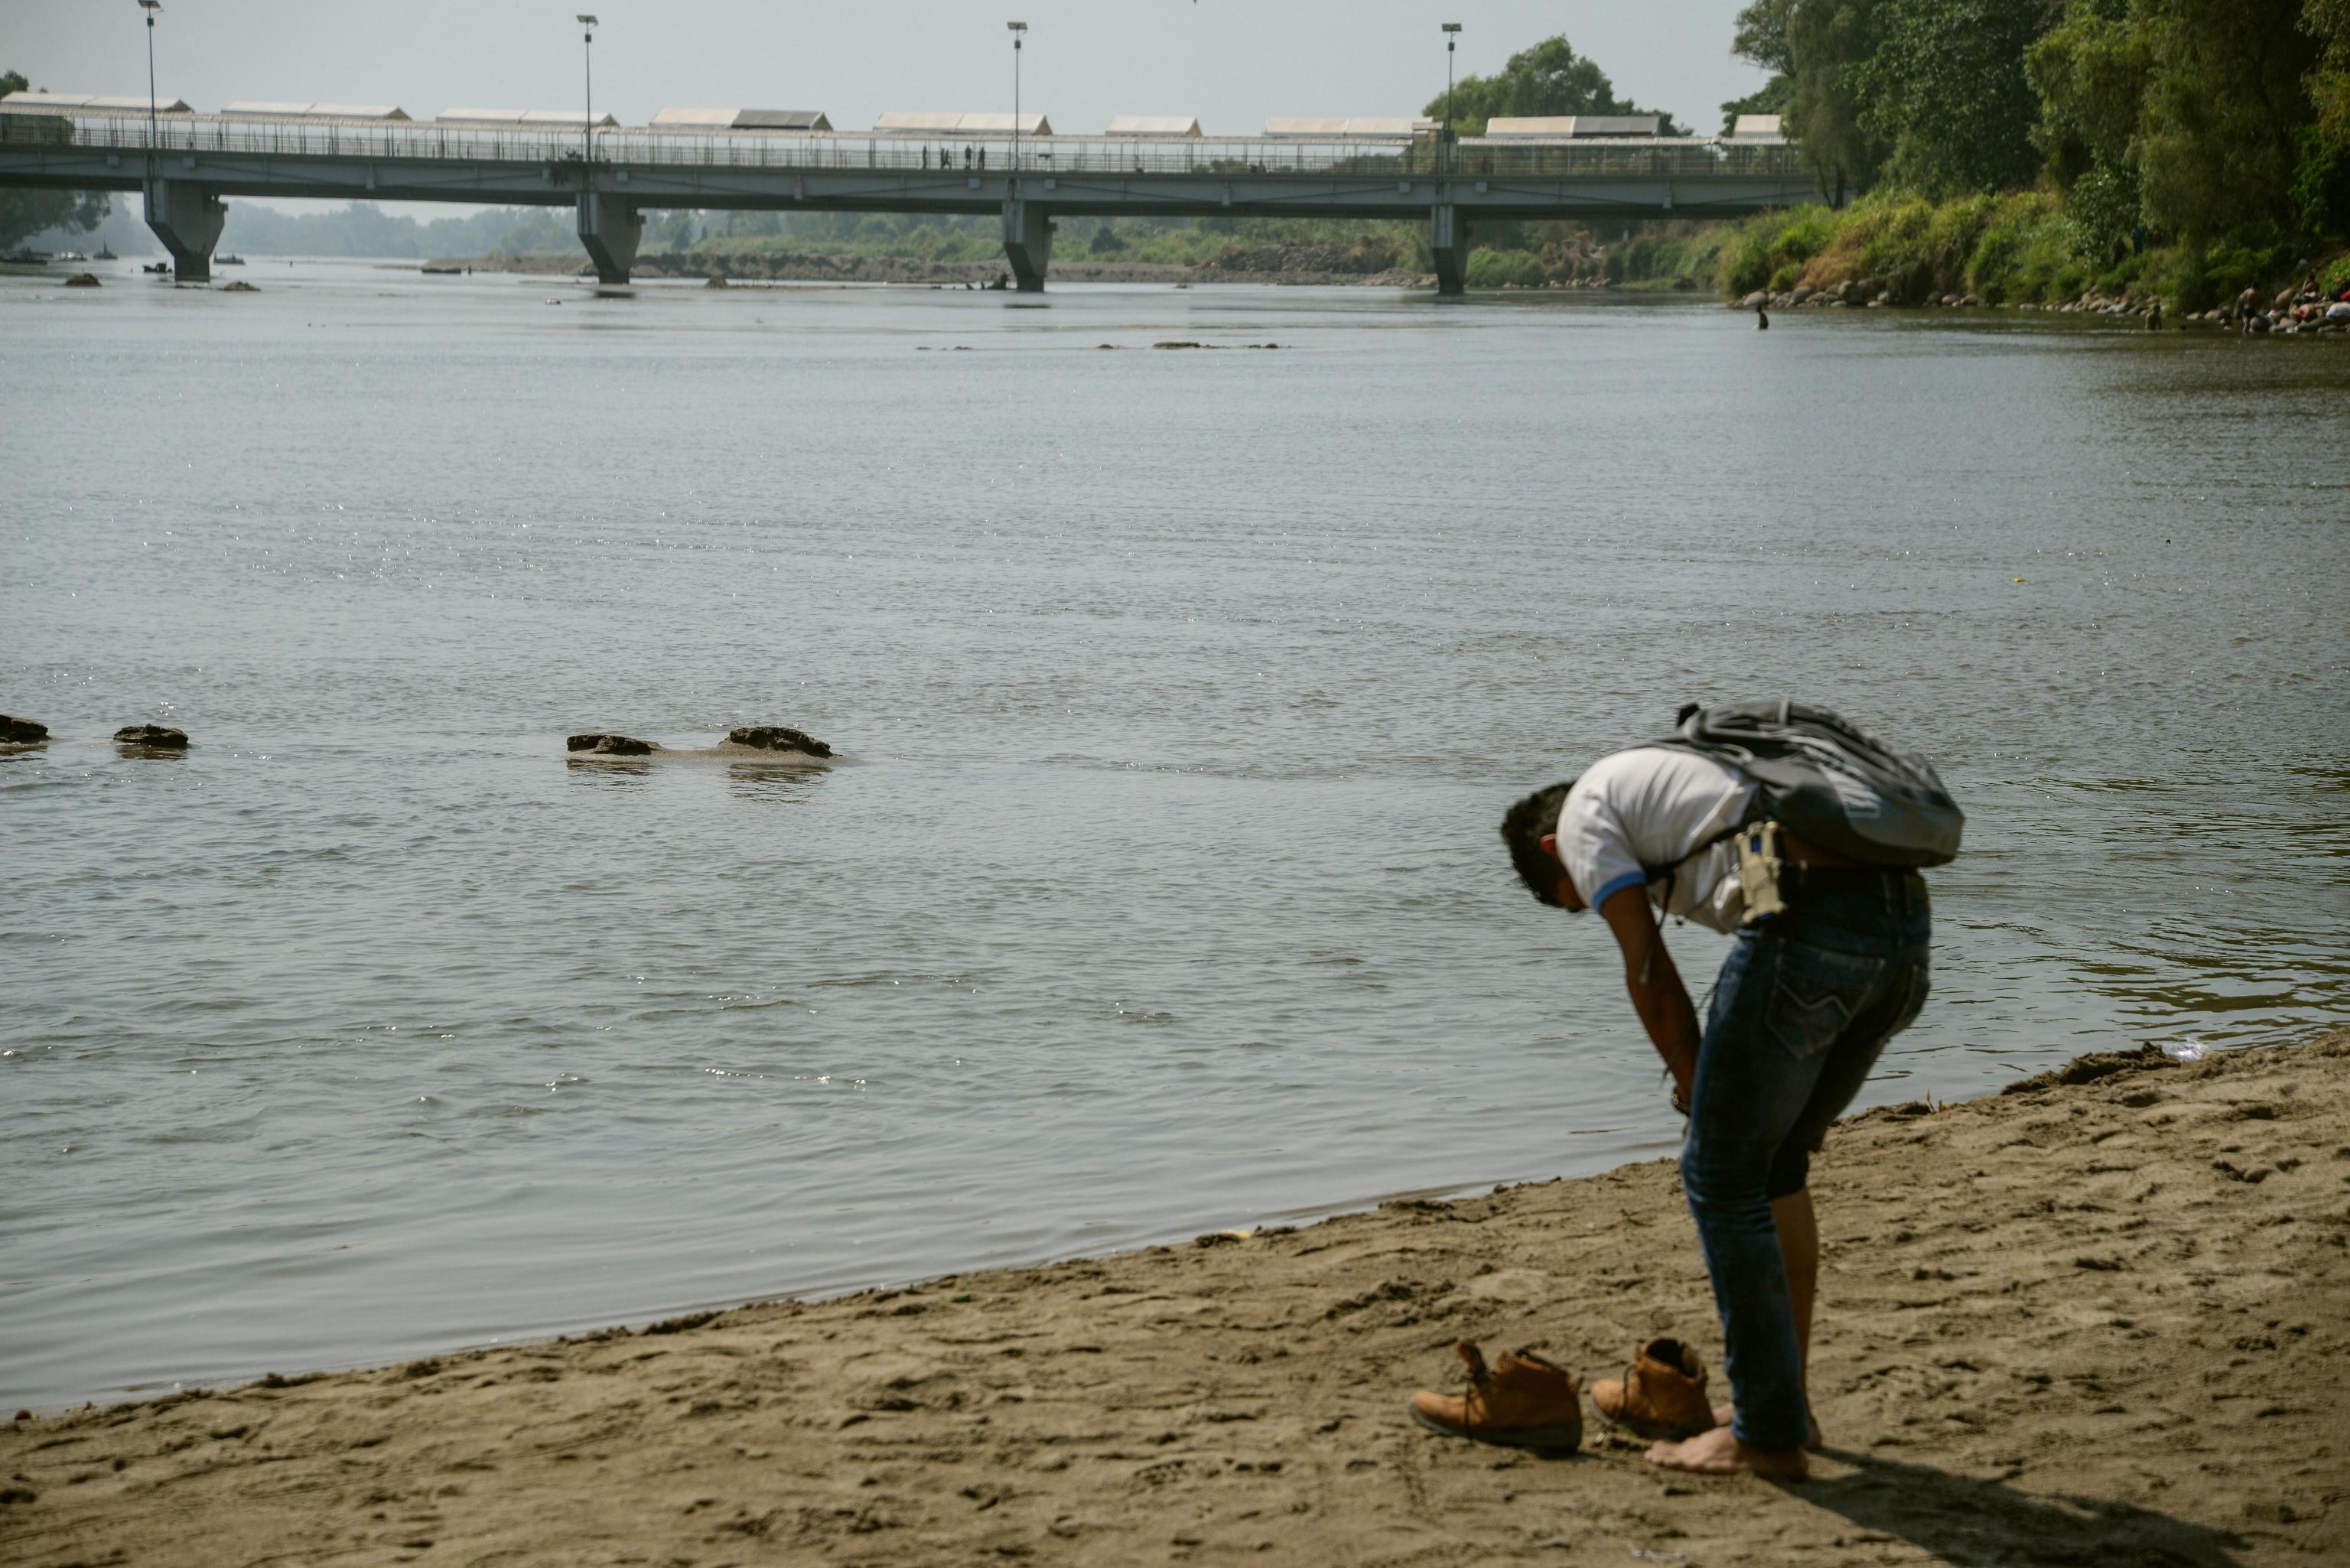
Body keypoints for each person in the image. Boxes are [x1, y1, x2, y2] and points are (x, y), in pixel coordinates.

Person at [1463, 739, 1930, 1478]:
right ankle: (1782, 1406)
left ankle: (1767, 1437)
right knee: (1775, 1168)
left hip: (1808, 929)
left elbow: (1649, 974)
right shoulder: (1669, 786)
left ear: (1555, 848)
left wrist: (1694, 1087)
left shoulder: (1585, 820)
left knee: (1718, 1176)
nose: (1605, 899)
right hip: (1902, 940)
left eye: (1581, 894)